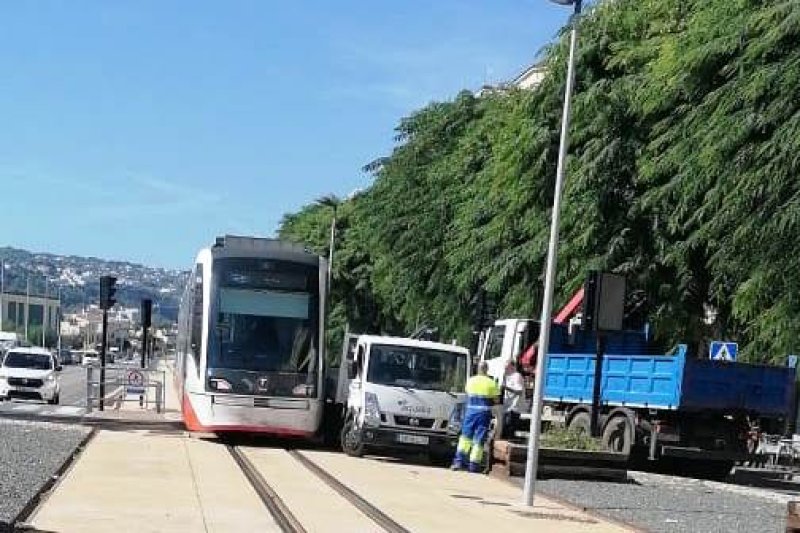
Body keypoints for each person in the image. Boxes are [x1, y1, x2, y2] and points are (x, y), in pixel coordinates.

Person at [451, 361, 500, 473]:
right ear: (487, 370)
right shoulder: (492, 383)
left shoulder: (471, 381)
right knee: (479, 439)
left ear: (478, 369)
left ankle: (459, 462)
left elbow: (468, 394)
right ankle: (473, 465)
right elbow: (496, 400)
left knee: (465, 437)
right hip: (484, 413)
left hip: (470, 412)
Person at [502, 360, 525, 438]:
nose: (505, 368)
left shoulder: (517, 376)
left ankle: (510, 441)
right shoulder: (507, 376)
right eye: (505, 367)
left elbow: (519, 391)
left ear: (512, 367)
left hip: (514, 407)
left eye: (507, 367)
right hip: (507, 406)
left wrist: (506, 388)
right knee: (505, 427)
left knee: (510, 427)